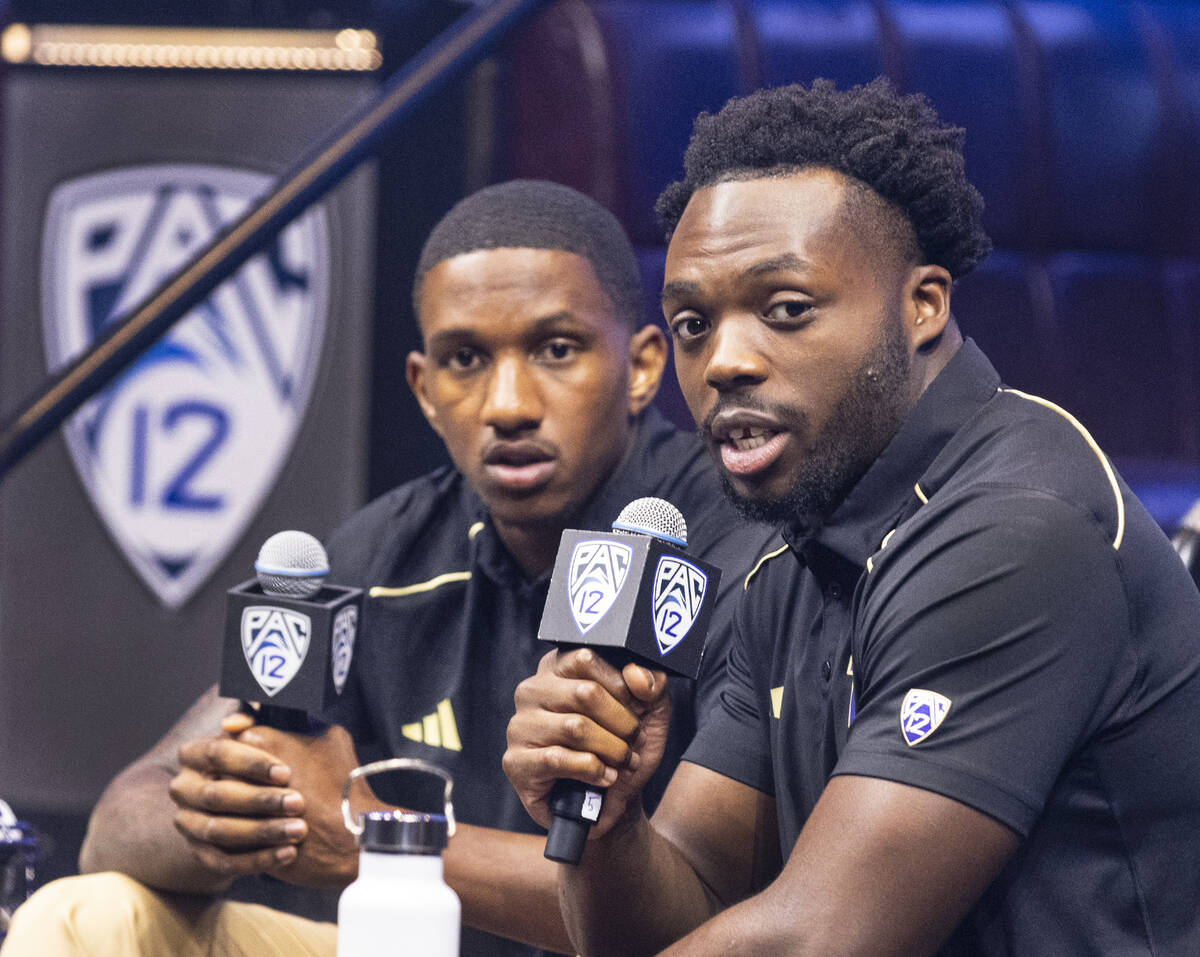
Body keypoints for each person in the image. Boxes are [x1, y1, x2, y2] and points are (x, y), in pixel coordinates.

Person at [503, 79, 1200, 955]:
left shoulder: (1016, 527)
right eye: (690, 322)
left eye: (785, 309)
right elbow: (686, 903)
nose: (724, 361)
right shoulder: (789, 554)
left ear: (924, 306)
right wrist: (608, 824)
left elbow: (816, 942)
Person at [3, 180, 773, 957]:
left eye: (556, 349)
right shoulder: (389, 551)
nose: (507, 403)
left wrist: (367, 839)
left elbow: (701, 907)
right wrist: (227, 812)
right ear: (425, 389)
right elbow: (116, 827)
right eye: (465, 358)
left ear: (641, 366)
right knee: (84, 916)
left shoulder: (727, 545)